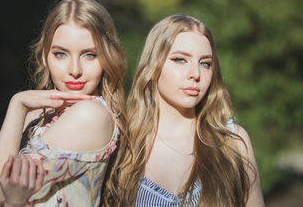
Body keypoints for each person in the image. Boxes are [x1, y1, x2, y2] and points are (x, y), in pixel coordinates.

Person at [107, 14, 264, 206]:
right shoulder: (122, 143)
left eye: (205, 63)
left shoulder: (233, 143)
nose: (196, 74)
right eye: (180, 60)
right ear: (153, 65)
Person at [0, 0, 128, 207]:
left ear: (107, 57)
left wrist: (17, 104)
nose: (75, 70)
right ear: (45, 56)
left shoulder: (90, 115)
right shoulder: (36, 115)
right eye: (61, 54)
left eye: (89, 55)